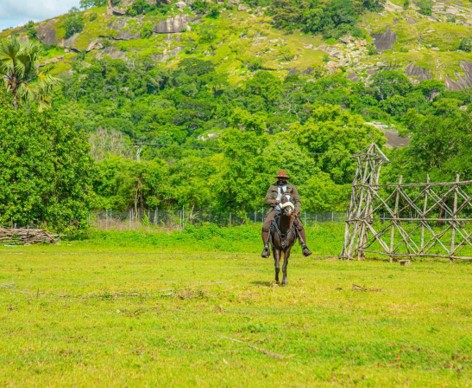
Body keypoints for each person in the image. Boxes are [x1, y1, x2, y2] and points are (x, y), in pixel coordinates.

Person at [261, 169, 312, 258]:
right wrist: (275, 201)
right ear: (277, 178)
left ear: (286, 178)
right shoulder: (272, 187)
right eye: (280, 178)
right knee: (265, 225)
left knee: (299, 225)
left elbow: (297, 200)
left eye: (283, 178)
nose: (281, 179)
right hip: (275, 210)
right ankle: (266, 248)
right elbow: (266, 200)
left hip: (289, 210)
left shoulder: (291, 187)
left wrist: (297, 210)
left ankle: (304, 247)